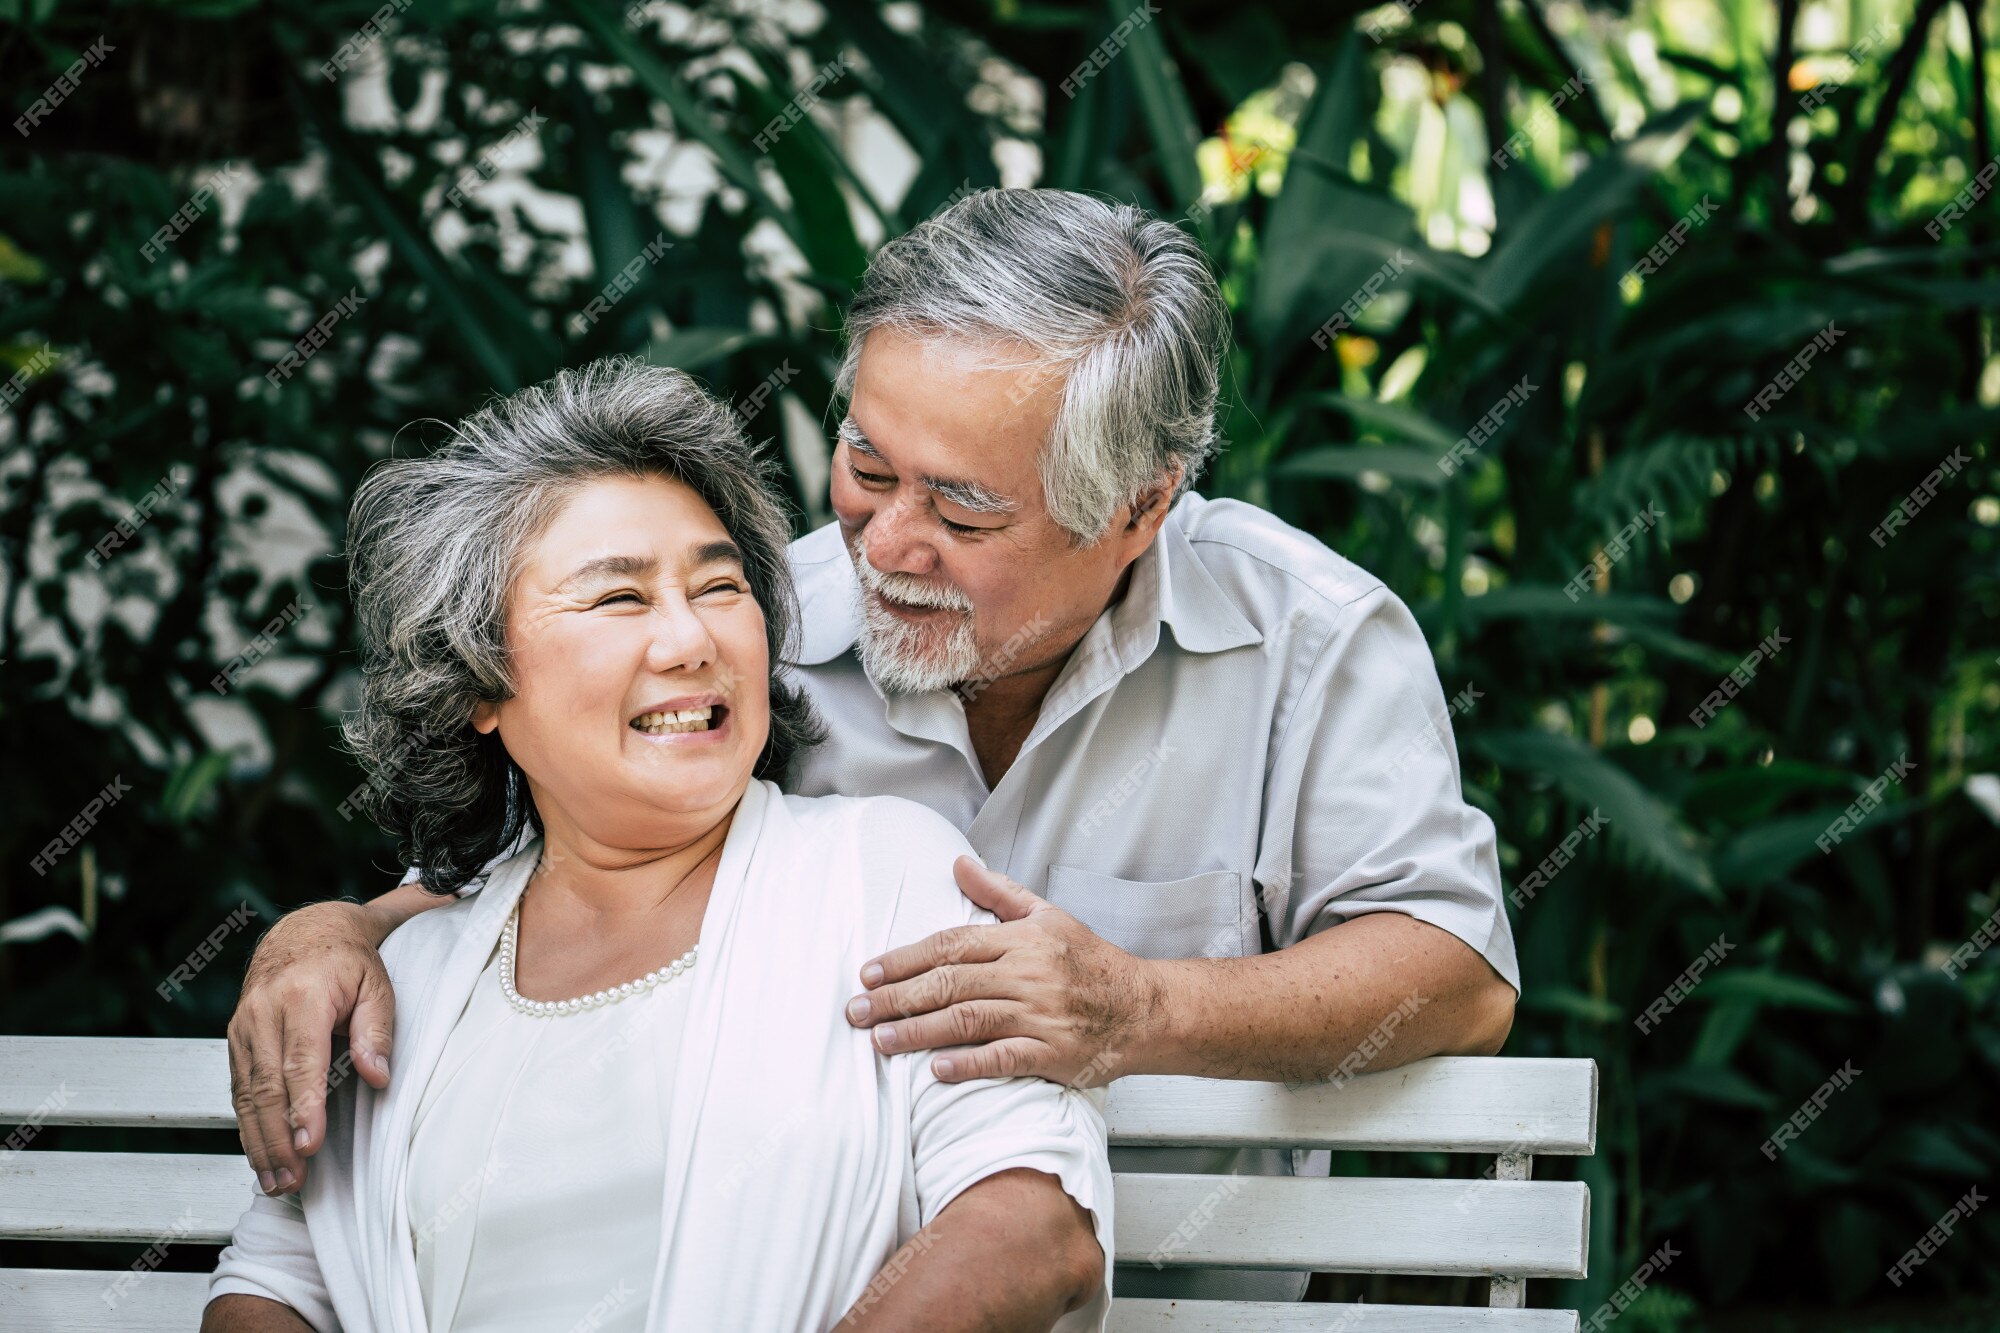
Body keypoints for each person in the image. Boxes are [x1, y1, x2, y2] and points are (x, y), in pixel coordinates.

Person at [230, 187, 1519, 1302]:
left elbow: (1458, 974)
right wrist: (336, 930)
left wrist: (1138, 1008)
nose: (887, 541)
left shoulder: (1307, 636)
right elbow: (537, 876)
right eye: (865, 461)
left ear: (1138, 506)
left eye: (962, 504)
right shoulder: (749, 632)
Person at [203, 360, 1111, 1332]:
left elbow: (1029, 1216)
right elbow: (275, 1284)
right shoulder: (404, 982)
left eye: (719, 586)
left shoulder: (880, 876)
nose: (690, 640)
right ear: (476, 682)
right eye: (619, 599)